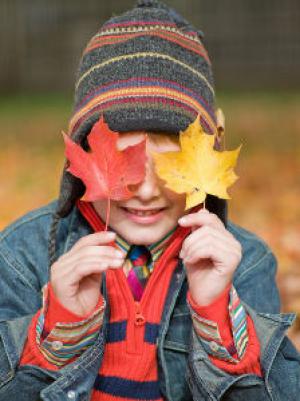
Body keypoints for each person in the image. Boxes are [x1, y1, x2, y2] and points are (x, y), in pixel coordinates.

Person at [0, 1, 299, 400]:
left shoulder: (244, 264)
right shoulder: (25, 255)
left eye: (168, 170)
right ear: (83, 159)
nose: (144, 192)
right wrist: (59, 328)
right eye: (125, 170)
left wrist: (217, 317)